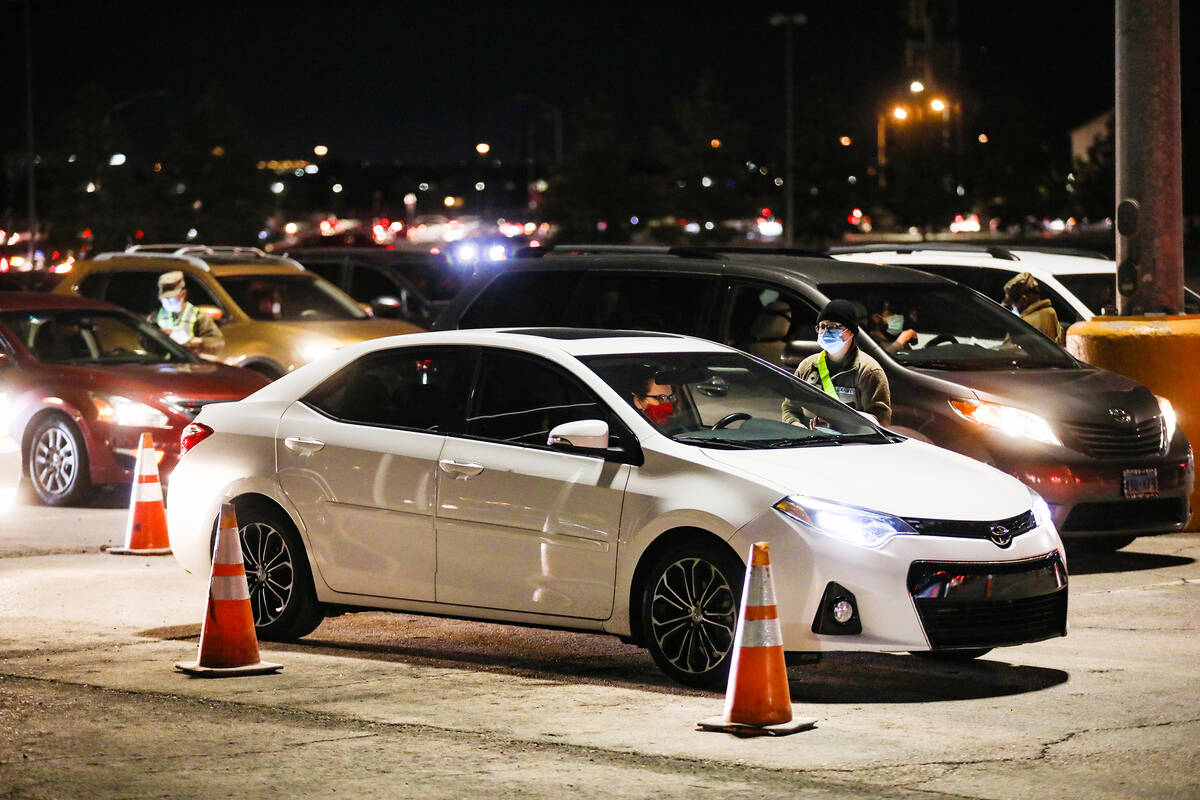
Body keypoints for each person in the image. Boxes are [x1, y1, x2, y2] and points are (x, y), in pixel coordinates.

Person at [782, 299, 891, 426]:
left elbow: (880, 422)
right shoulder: (807, 366)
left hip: (849, 445)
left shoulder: (868, 371)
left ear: (850, 332)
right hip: (808, 443)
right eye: (822, 326)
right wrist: (801, 430)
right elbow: (790, 409)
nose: (825, 331)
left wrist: (836, 428)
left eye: (833, 327)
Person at [151, 271, 224, 356]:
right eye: (164, 299)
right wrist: (157, 337)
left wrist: (199, 342)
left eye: (171, 298)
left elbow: (218, 343)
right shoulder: (155, 317)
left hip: (189, 366)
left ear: (183, 295)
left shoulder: (198, 316)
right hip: (164, 366)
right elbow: (144, 342)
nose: (167, 302)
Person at [1003, 272, 1064, 344]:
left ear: (1024, 299)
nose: (1013, 307)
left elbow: (1007, 351)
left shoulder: (1023, 323)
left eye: (1013, 303)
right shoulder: (1051, 313)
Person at [627, 364, 680, 430]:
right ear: (638, 401)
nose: (669, 406)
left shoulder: (679, 431)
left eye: (671, 397)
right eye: (661, 398)